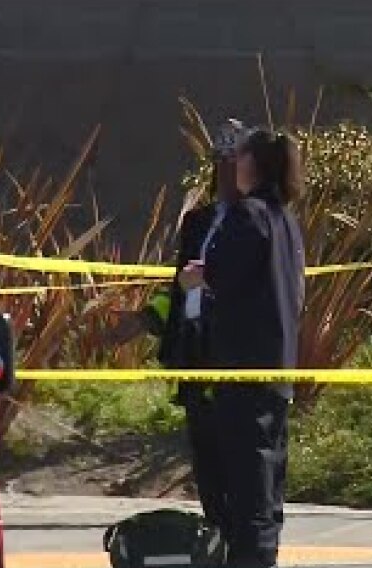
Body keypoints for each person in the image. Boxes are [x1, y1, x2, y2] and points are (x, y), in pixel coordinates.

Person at [105, 118, 246, 541]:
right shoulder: (198, 222)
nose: (226, 172)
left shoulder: (261, 222)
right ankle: (217, 536)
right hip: (196, 353)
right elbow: (178, 291)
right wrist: (144, 320)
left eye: (234, 162)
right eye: (220, 162)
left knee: (241, 458)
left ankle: (244, 541)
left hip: (238, 356)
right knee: (207, 455)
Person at [178, 126, 305, 568]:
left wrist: (199, 277)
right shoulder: (283, 218)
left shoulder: (250, 215)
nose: (235, 165)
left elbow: (227, 275)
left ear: (256, 163)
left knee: (246, 456)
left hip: (243, 356)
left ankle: (249, 552)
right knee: (269, 455)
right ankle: (263, 545)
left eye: (241, 156)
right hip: (275, 356)